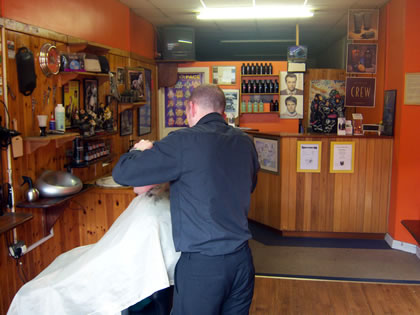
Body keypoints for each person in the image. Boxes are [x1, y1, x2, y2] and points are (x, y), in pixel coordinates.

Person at [112, 84, 260, 315]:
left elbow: (123, 173)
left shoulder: (183, 141)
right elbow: (247, 185)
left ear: (191, 107)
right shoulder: (245, 142)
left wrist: (139, 150)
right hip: (242, 262)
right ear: (223, 112)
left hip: (204, 267)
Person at [8, 183, 180, 315]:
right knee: (66, 262)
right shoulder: (163, 204)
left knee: (37, 293)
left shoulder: (152, 216)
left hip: (122, 256)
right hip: (121, 251)